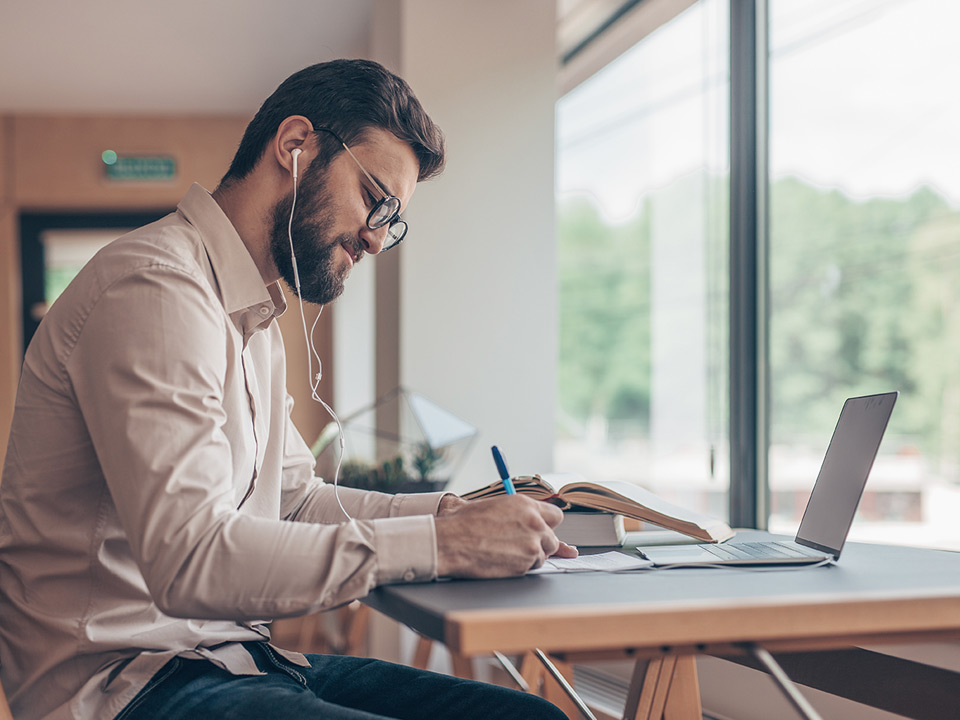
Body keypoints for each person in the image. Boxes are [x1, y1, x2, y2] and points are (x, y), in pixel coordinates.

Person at [0, 59, 576, 720]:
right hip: (124, 684)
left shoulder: (251, 316)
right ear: (295, 145)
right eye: (376, 201)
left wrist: (447, 516)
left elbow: (294, 502)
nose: (374, 238)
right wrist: (445, 546)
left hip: (230, 662)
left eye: (392, 222)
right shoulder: (153, 288)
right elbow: (190, 560)